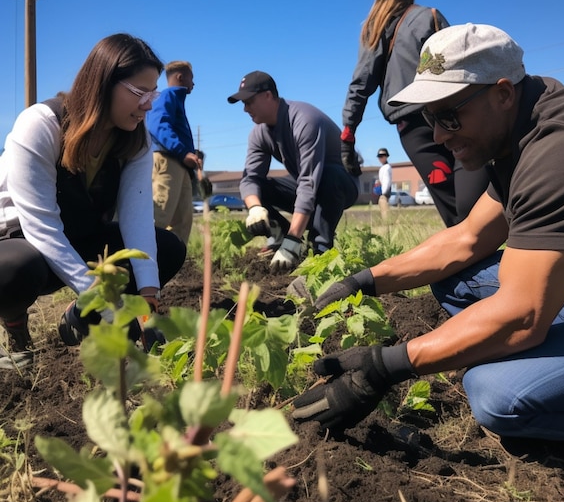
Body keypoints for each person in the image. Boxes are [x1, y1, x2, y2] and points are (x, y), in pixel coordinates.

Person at [293, 23, 564, 451]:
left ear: (503, 93)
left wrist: (386, 366)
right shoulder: (518, 131)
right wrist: (361, 281)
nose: (438, 136)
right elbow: (467, 239)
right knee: (457, 277)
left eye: (449, 115)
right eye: (429, 118)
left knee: (497, 394)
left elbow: (523, 316)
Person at [0, 33, 187, 367]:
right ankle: (14, 324)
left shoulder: (134, 139)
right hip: (21, 239)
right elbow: (41, 228)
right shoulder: (40, 125)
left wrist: (147, 303)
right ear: (103, 84)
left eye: (153, 93)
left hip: (80, 237)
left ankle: (80, 319)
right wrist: (107, 303)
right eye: (139, 93)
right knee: (14, 271)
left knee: (167, 248)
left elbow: (137, 219)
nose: (149, 104)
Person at [341, 0, 489, 227]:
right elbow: (457, 63)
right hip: (451, 114)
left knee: (452, 206)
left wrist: (348, 135)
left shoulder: (373, 28)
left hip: (413, 125)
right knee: (474, 195)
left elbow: (361, 83)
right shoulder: (429, 17)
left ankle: (469, 256)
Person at [227, 71, 359, 273]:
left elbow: (309, 181)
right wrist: (255, 208)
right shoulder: (258, 133)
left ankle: (320, 252)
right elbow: (250, 179)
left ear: (268, 95)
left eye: (249, 101)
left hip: (342, 182)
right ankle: (279, 234)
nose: (245, 109)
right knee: (258, 188)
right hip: (310, 183)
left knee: (328, 177)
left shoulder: (304, 120)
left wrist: (294, 237)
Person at [147, 60, 203, 245]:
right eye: (191, 78)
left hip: (179, 164)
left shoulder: (176, 99)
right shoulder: (168, 95)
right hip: (168, 160)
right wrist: (182, 152)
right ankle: (136, 263)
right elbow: (157, 124)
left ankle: (169, 264)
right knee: (159, 214)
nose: (193, 83)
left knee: (183, 220)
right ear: (180, 77)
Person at [376, 147, 392, 219]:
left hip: (385, 191)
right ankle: (385, 221)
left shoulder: (387, 167)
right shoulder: (383, 167)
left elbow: (387, 180)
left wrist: (384, 192)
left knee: (384, 206)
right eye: (379, 156)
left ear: (386, 156)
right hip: (383, 190)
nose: (380, 158)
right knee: (382, 206)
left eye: (382, 156)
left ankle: (386, 222)